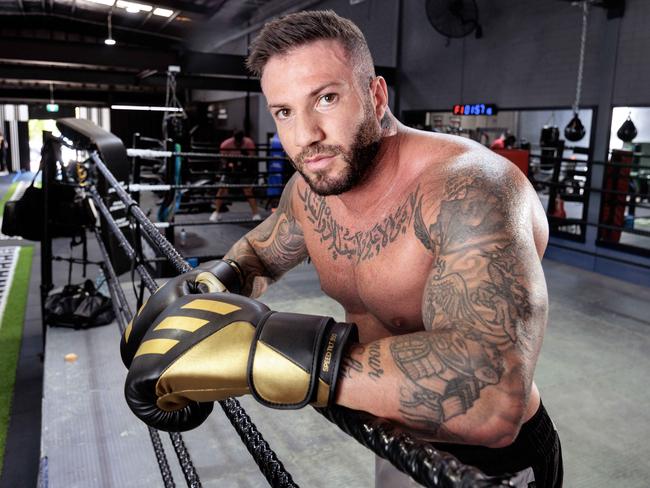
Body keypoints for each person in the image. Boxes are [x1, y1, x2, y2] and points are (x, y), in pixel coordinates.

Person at [123, 10, 562, 488]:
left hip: (486, 467)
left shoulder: (471, 189)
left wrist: (267, 356)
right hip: (391, 437)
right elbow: (267, 249)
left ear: (375, 96)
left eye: (326, 98)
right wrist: (218, 279)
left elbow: (493, 398)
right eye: (284, 112)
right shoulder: (312, 187)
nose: (305, 135)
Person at [210, 129, 262, 222]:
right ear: (234, 138)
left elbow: (252, 159)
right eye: (237, 141)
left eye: (240, 141)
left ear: (243, 139)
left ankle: (256, 214)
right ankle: (216, 213)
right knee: (222, 189)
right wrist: (228, 164)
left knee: (248, 190)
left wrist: (244, 162)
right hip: (230, 169)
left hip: (244, 168)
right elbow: (223, 160)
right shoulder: (226, 145)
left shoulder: (248, 143)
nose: (238, 144)